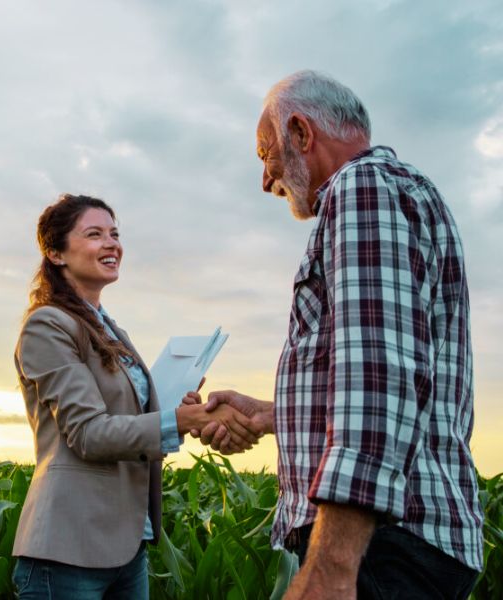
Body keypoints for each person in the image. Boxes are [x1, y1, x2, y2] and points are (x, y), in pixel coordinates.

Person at [194, 71, 484, 599]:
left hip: (380, 547)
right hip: (395, 544)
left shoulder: (362, 187)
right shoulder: (396, 191)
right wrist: (269, 414)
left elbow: (378, 375)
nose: (266, 179)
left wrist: (331, 567)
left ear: (302, 133)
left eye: (266, 154)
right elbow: (395, 372)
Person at [11, 193, 256, 599]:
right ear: (55, 253)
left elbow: (132, 422)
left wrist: (181, 410)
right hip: (69, 549)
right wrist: (179, 421)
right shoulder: (47, 326)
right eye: (94, 234)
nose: (112, 244)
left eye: (115, 233)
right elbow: (89, 434)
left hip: (127, 547)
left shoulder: (112, 331)